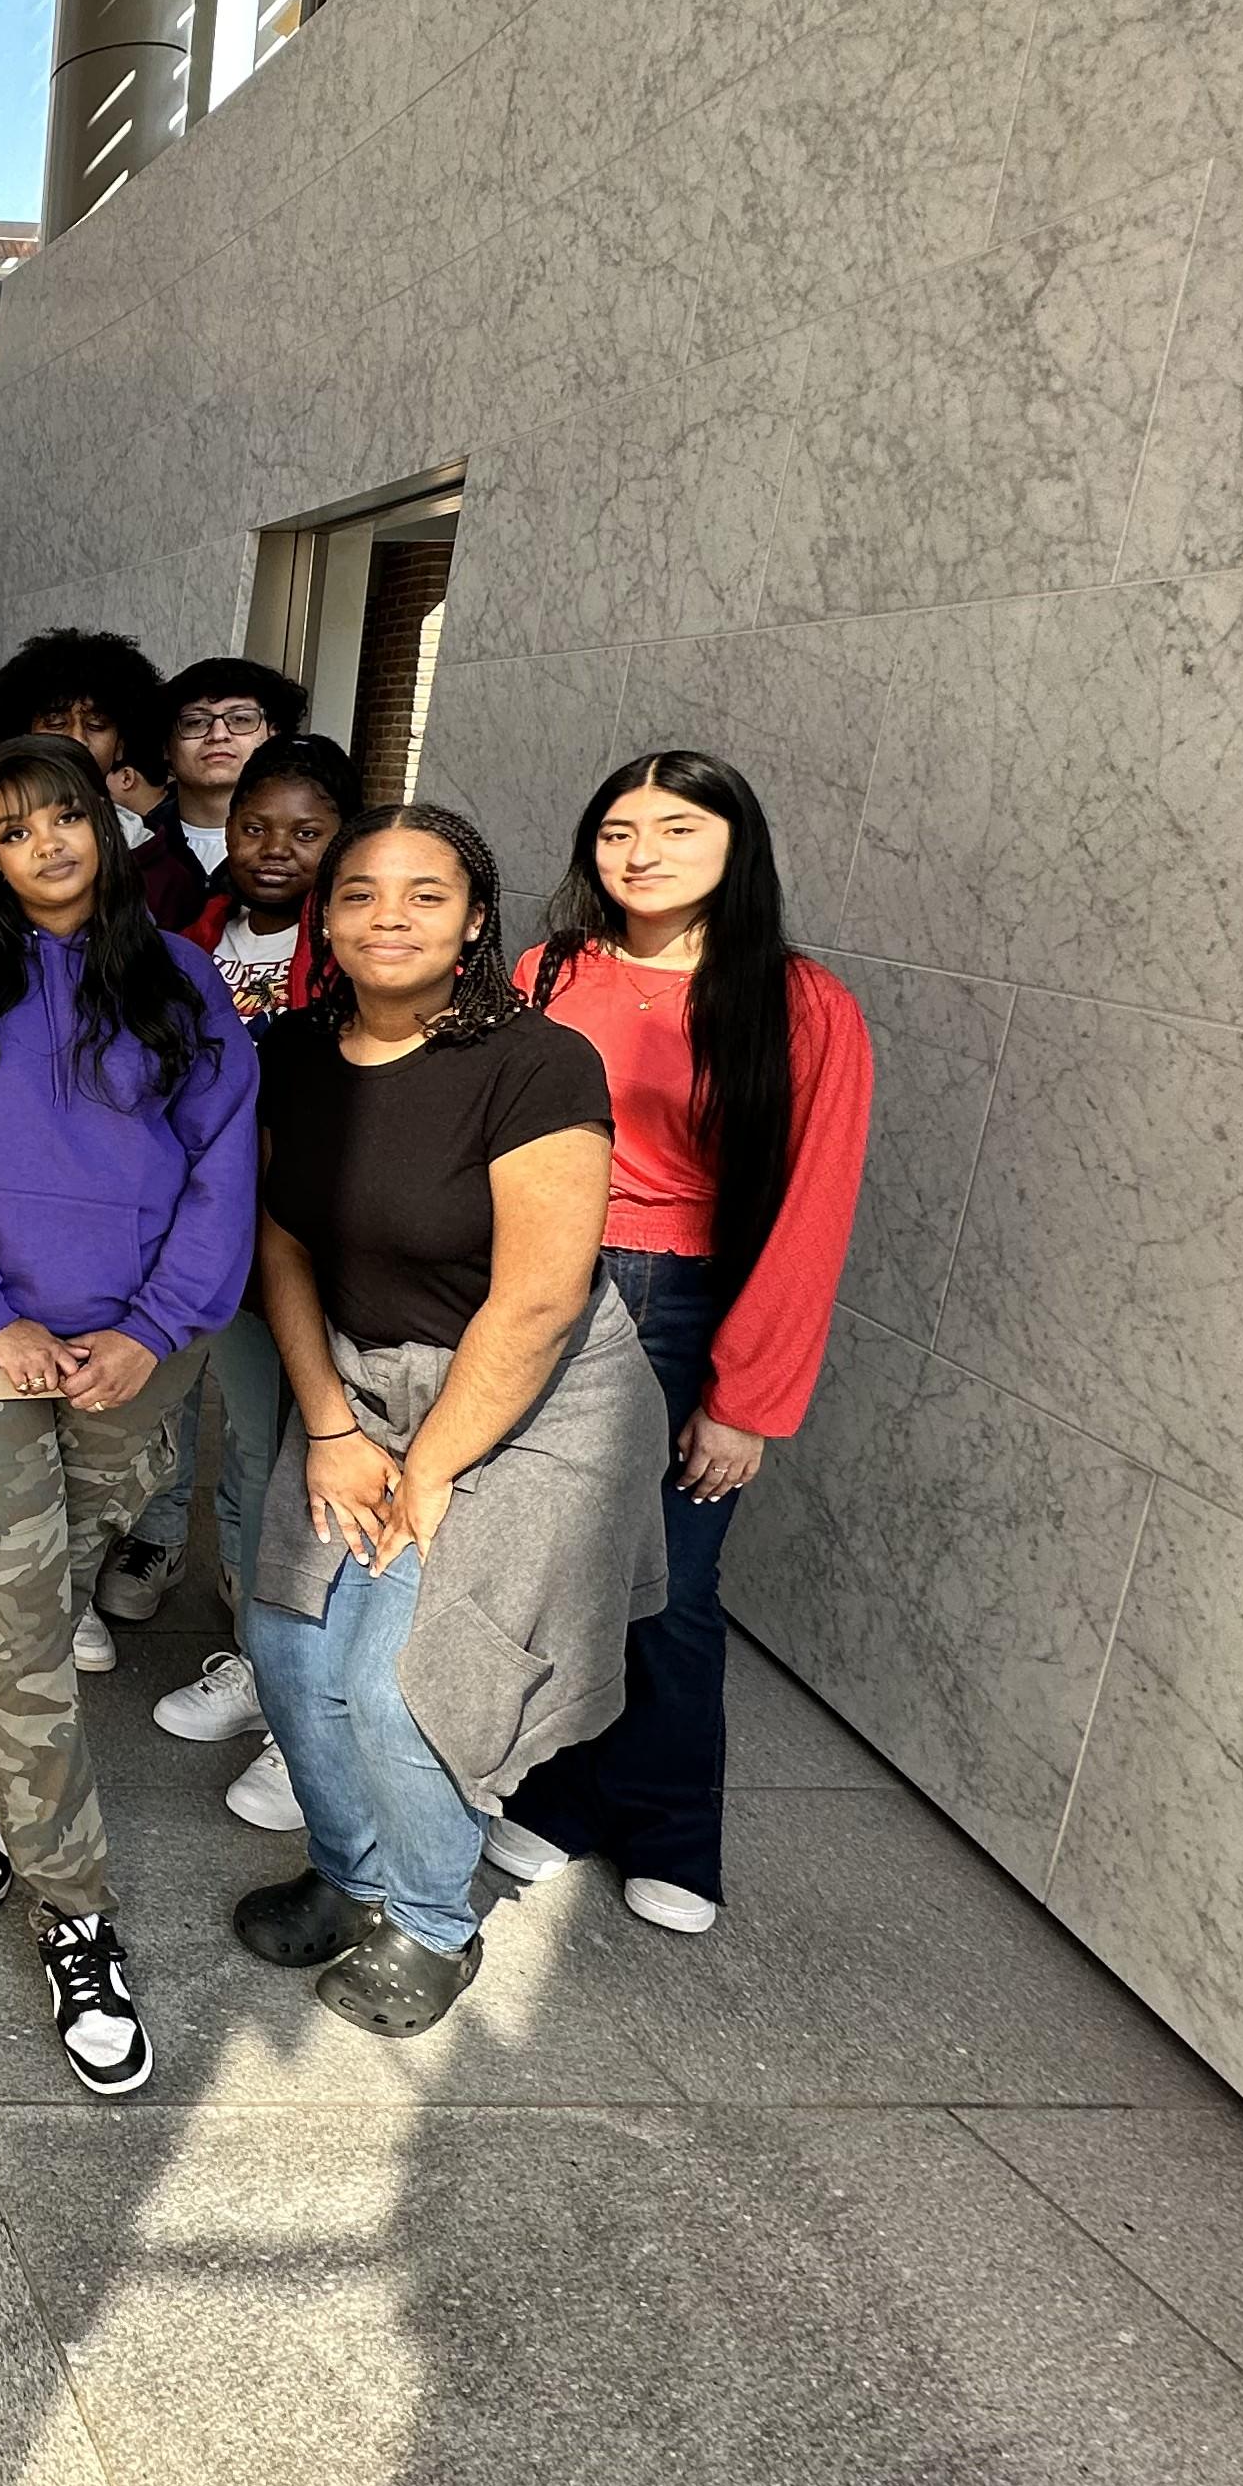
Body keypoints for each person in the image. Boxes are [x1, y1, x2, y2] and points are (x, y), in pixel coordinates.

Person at [0, 733, 261, 2100]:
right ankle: (78, 1916)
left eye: (67, 818)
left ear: (108, 822)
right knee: (24, 1616)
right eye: (15, 830)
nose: (48, 846)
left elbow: (222, 1168)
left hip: (140, 1348)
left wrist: (148, 1330)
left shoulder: (181, 978)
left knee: (47, 1588)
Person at [238, 806, 666, 2038]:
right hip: (365, 1382)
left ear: (476, 920)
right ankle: (350, 1869)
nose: (389, 917)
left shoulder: (538, 1064)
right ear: (326, 917)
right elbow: (281, 1238)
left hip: (536, 1400)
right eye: (361, 893)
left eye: (425, 895)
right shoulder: (296, 1055)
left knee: (400, 1679)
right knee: (292, 1643)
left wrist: (425, 1473)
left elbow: (535, 1302)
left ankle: (433, 1921)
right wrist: (327, 1421)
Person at [488, 754, 873, 1937]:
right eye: (615, 829)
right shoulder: (546, 970)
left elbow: (814, 1210)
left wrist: (749, 1397)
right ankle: (560, 1796)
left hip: (683, 1300)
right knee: (552, 1564)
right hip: (538, 1284)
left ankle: (670, 1830)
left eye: (674, 827)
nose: (639, 851)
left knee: (675, 1586)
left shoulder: (801, 1005)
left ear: (735, 844)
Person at [125, 735, 365, 1823]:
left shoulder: (355, 945)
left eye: (305, 832)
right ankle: (256, 1664)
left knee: (285, 1461)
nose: (273, 850)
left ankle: (294, 1705)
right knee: (226, 1444)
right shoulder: (198, 938)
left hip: (309, 1239)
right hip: (208, 1228)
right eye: (255, 827)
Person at [0, 628, 186, 923]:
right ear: (23, 736)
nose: (77, 739)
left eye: (97, 725)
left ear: (121, 746)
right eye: (56, 723)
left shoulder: (166, 877)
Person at [147, 656, 315, 906]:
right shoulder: (137, 842)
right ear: (166, 748)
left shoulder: (309, 844)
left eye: (240, 719)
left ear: (273, 735)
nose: (218, 735)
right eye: (195, 722)